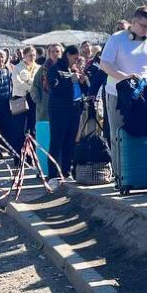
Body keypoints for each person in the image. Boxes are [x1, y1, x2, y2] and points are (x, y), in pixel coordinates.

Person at [100, 6, 147, 174]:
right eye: (143, 26)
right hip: (118, 93)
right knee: (119, 134)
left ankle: (145, 171)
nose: (146, 30)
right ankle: (121, 174)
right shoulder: (117, 39)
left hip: (146, 94)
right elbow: (105, 64)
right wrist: (124, 77)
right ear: (134, 22)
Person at [46, 44, 87, 187]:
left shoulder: (75, 68)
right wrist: (71, 79)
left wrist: (83, 81)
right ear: (68, 55)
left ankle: (66, 172)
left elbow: (84, 88)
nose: (76, 61)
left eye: (78, 59)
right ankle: (52, 176)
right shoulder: (54, 69)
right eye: (74, 58)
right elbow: (54, 88)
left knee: (70, 142)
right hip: (59, 111)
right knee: (56, 142)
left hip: (74, 109)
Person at [30, 43, 63, 134]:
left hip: (61, 107)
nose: (55, 53)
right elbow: (34, 86)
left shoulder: (66, 68)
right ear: (49, 53)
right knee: (44, 136)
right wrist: (38, 98)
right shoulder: (43, 69)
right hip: (44, 107)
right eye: (52, 51)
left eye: (57, 51)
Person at [14, 46, 40, 136]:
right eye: (30, 55)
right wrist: (32, 86)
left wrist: (28, 81)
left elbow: (39, 83)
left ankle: (32, 147)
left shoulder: (39, 68)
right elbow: (17, 83)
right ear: (24, 56)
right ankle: (18, 148)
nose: (32, 57)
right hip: (19, 97)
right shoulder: (17, 67)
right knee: (19, 124)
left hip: (34, 98)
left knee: (33, 123)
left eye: (34, 55)